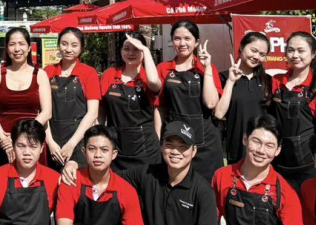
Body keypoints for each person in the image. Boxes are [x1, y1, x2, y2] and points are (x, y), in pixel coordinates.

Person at [267, 31, 316, 193]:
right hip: (277, 158)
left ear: (313, 54)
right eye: (290, 50)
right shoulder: (276, 81)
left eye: (301, 50)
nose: (295, 55)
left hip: (307, 162)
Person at [156, 21, 223, 182]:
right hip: (175, 141)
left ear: (197, 42)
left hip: (205, 142)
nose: (182, 43)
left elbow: (211, 103)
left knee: (207, 187)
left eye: (187, 38)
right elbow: (159, 108)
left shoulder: (207, 68)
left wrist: (207, 68)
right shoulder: (163, 68)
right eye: (177, 38)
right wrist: (159, 140)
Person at [0, 27, 51, 168]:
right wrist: (4, 138)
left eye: (21, 44)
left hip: (32, 138)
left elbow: (46, 113)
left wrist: (22, 135)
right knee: (4, 178)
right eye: (12, 44)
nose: (17, 49)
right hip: (4, 140)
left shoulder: (40, 74)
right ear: (7, 48)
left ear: (29, 48)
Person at [99, 33, 162, 172]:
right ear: (121, 51)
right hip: (116, 146)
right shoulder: (109, 75)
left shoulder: (148, 76)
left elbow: (154, 82)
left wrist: (146, 50)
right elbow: (101, 110)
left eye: (136, 49)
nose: (131, 53)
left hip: (145, 148)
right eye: (126, 49)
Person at [43, 27, 100, 169]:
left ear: (81, 48)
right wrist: (50, 142)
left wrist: (71, 144)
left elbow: (92, 113)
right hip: (52, 140)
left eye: (74, 45)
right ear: (58, 45)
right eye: (64, 44)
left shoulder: (89, 73)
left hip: (79, 140)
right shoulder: (47, 72)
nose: (68, 49)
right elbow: (42, 111)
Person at [214, 31, 271, 164]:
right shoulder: (223, 78)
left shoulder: (268, 81)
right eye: (253, 50)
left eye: (262, 54)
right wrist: (230, 81)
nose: (256, 56)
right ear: (241, 47)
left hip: (263, 150)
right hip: (236, 148)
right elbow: (219, 113)